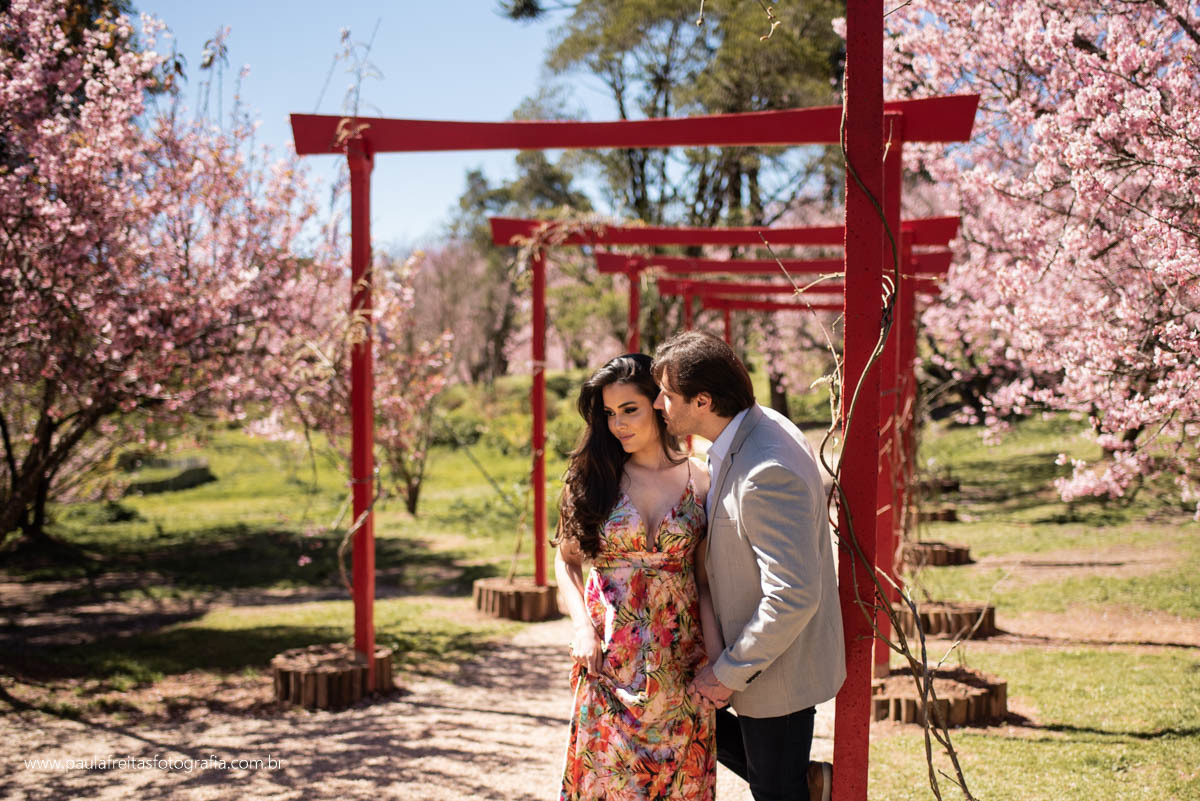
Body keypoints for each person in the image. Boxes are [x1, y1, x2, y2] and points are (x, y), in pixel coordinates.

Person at [651, 331, 845, 801]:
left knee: (776, 792)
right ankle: (807, 781)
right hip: (756, 660)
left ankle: (804, 783)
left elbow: (793, 595)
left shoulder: (765, 472)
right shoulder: (757, 426)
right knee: (765, 773)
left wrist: (727, 673)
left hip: (775, 672)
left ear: (703, 400)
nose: (658, 404)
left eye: (667, 395)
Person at [554, 352, 723, 801]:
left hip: (681, 664)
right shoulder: (593, 478)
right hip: (607, 661)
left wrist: (717, 661)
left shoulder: (702, 482)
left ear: (659, 405)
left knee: (682, 785)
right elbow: (567, 559)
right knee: (607, 785)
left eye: (630, 409)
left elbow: (704, 582)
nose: (618, 425)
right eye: (609, 414)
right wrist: (582, 629)